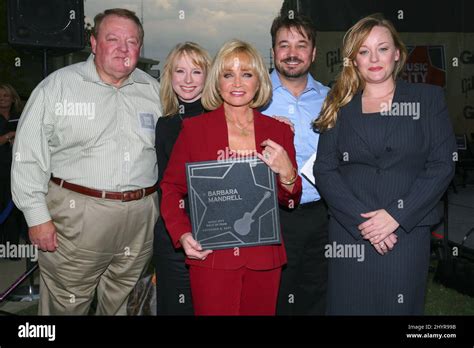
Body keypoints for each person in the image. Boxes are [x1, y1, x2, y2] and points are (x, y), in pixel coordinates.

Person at [11, 8, 161, 315]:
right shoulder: (58, 87)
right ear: (93, 43)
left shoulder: (155, 91)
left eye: (131, 41)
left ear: (140, 48)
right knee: (67, 304)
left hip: (141, 218)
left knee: (125, 305)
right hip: (77, 218)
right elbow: (27, 153)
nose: (123, 48)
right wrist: (37, 216)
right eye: (112, 39)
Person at [313, 13, 456, 315]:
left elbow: (442, 164)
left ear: (397, 54)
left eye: (382, 48)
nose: (374, 58)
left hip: (406, 232)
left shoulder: (428, 99)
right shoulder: (337, 104)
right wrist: (364, 223)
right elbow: (325, 169)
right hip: (351, 234)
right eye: (364, 51)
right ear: (353, 60)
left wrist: (395, 216)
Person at [160, 39, 302, 315]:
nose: (237, 83)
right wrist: (182, 233)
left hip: (264, 258)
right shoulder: (194, 129)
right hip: (211, 256)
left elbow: (291, 199)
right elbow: (171, 187)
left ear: (259, 81)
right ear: (218, 81)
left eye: (246, 74)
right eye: (228, 74)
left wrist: (287, 173)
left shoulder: (279, 131)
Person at [260, 14, 329, 315]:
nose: (292, 53)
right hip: (270, 214)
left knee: (316, 294)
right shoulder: (254, 97)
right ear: (273, 51)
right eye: (283, 45)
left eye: (301, 45)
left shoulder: (331, 100)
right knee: (273, 296)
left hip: (322, 215)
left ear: (313, 53)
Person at [153, 42, 211, 315]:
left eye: (196, 72)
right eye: (180, 71)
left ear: (207, 76)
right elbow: (167, 186)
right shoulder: (165, 124)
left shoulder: (224, 118)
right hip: (173, 236)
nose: (188, 80)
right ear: (170, 76)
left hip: (217, 232)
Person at [0, 83, 26, 253]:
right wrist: (10, 135)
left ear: (12, 97)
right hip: (1, 168)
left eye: (5, 96)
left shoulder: (20, 115)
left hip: (18, 166)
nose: (2, 99)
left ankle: (13, 248)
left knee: (17, 207)